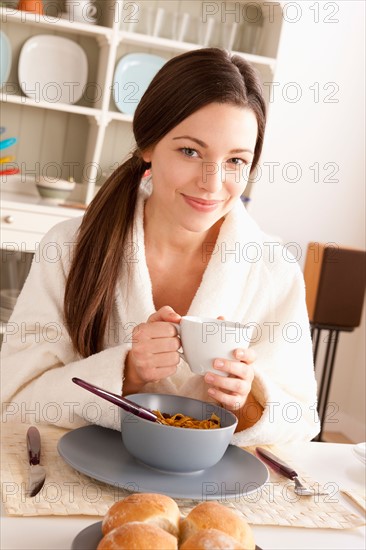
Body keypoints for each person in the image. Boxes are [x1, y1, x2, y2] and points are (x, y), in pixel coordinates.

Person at [1, 48, 320, 445]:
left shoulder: (273, 269)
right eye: (191, 151)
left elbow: (301, 422)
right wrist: (126, 372)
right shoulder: (68, 247)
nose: (212, 182)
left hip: (210, 493)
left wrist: (248, 401)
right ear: (148, 146)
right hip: (77, 487)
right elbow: (13, 402)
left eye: (236, 160)